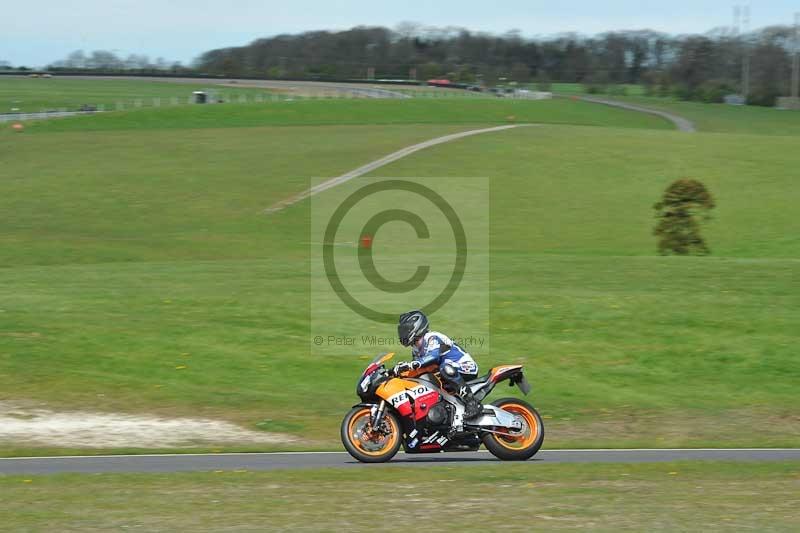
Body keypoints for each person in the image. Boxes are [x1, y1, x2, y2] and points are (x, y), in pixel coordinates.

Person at [394, 310, 482, 420]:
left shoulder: (432, 337)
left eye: (405, 329)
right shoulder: (416, 349)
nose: (403, 333)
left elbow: (433, 356)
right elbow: (419, 370)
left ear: (416, 327)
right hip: (446, 371)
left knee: (445, 368)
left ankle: (472, 403)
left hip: (465, 367)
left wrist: (412, 364)